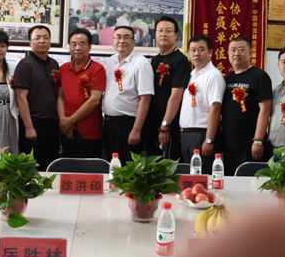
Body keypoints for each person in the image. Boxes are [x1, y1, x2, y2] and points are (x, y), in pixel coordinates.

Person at [221, 36, 273, 175]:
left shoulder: (259, 76)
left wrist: (258, 140)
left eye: (241, 49)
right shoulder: (228, 78)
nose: (236, 53)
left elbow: (265, 109)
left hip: (250, 145)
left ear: (250, 53)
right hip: (229, 145)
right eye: (233, 50)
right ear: (228, 54)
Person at [102, 25, 154, 163]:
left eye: (126, 37)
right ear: (113, 40)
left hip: (128, 124)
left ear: (133, 41)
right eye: (118, 37)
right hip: (109, 123)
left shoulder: (141, 63)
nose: (122, 41)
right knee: (111, 164)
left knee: (127, 167)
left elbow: (146, 99)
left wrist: (136, 130)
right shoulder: (111, 61)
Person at [13, 25, 60, 171]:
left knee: (50, 166)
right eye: (37, 38)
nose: (42, 41)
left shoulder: (54, 64)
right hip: (34, 123)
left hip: (52, 125)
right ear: (30, 43)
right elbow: (21, 97)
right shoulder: (25, 65)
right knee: (31, 169)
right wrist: (29, 127)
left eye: (45, 38)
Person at [179, 35, 225, 174]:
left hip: (202, 135)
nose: (196, 54)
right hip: (186, 135)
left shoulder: (213, 76)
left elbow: (215, 109)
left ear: (210, 52)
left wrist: (209, 139)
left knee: (202, 177)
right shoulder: (192, 75)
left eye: (201, 49)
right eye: (192, 50)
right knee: (190, 177)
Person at [57, 28, 106, 158]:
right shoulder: (63, 68)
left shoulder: (97, 69)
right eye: (73, 44)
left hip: (89, 133)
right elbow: (60, 97)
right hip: (66, 130)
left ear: (89, 47)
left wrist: (71, 120)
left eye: (82, 44)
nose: (77, 48)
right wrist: (64, 122)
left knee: (87, 168)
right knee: (67, 166)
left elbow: (95, 100)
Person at [148, 16, 188, 160]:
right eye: (160, 31)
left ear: (176, 35)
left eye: (168, 31)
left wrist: (165, 125)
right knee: (152, 164)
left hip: (169, 125)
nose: (163, 34)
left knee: (167, 164)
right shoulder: (154, 60)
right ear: (155, 34)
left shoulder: (180, 60)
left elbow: (176, 96)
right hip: (152, 122)